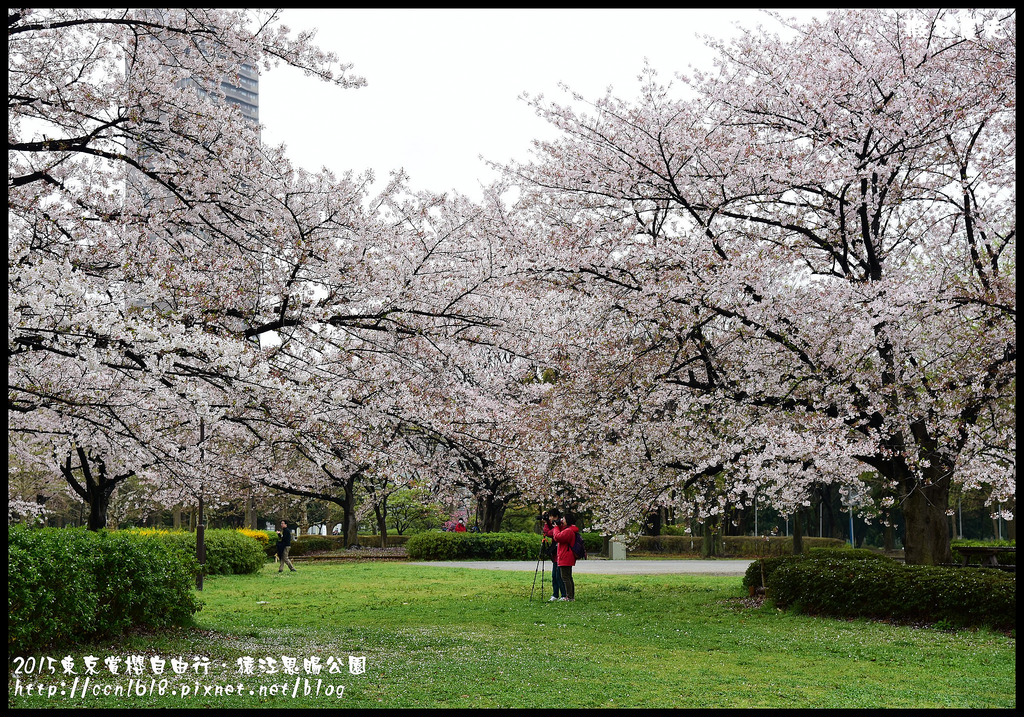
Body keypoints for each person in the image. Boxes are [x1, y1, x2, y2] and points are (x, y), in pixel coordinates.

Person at [551, 513, 580, 601]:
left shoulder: (569, 531)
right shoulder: (570, 530)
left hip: (565, 556)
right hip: (568, 555)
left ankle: (569, 597)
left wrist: (556, 528)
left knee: (565, 577)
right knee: (568, 577)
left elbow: (557, 537)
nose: (562, 520)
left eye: (563, 519)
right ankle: (570, 596)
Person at [541, 510, 567, 601]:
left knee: (559, 576)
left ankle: (564, 595)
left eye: (551, 516)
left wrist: (547, 524)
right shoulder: (554, 524)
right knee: (554, 575)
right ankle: (555, 594)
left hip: (561, 553)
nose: (550, 518)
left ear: (555, 517)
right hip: (556, 554)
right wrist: (547, 522)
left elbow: (549, 533)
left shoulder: (560, 525)